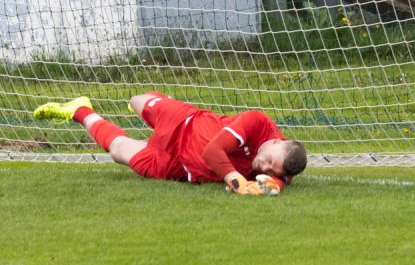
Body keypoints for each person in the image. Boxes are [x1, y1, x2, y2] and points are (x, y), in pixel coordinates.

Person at [33, 93, 307, 195]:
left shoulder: (278, 169)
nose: (263, 166)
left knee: (118, 152)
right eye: (268, 159)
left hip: (179, 167)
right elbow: (213, 151)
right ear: (274, 141)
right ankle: (150, 106)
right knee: (136, 101)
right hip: (183, 122)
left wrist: (273, 185)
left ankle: (80, 110)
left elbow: (282, 180)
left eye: (272, 169)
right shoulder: (257, 122)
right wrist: (237, 181)